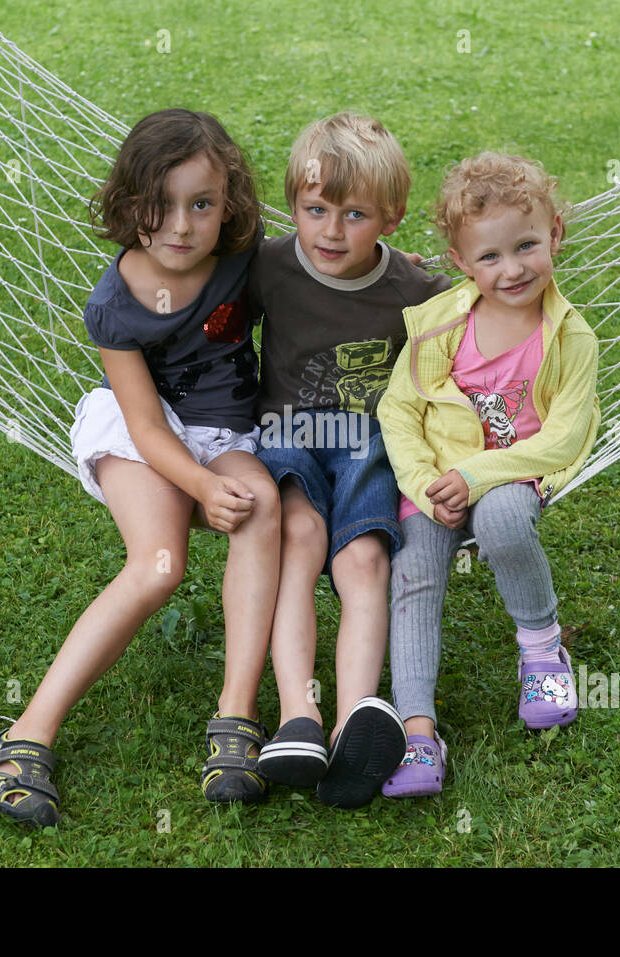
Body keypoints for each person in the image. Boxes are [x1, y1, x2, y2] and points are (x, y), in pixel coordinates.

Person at [0, 109, 280, 827]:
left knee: (262, 503)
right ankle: (25, 734)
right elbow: (145, 424)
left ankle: (235, 717)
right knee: (160, 563)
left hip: (225, 429)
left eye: (201, 204)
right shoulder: (113, 305)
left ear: (229, 204)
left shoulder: (243, 256)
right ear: (128, 203)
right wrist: (200, 484)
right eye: (160, 205)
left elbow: (312, 277)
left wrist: (387, 278)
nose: (181, 225)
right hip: (143, 431)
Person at [376, 152, 600, 798]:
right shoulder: (443, 323)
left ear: (555, 233)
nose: (513, 269)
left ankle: (542, 652)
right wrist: (424, 485)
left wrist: (476, 475)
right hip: (436, 484)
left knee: (503, 520)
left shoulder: (570, 337)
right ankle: (418, 731)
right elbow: (400, 410)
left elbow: (562, 436)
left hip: (511, 475)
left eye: (527, 246)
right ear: (460, 260)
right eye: (491, 257)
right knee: (414, 573)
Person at [249, 112, 451, 808]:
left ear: (389, 219)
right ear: (294, 207)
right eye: (315, 210)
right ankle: (297, 716)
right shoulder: (270, 267)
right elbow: (204, 310)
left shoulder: (416, 293)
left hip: (368, 439)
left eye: (354, 214)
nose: (331, 231)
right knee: (299, 539)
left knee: (364, 558)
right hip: (286, 431)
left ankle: (355, 719)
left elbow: (485, 320)